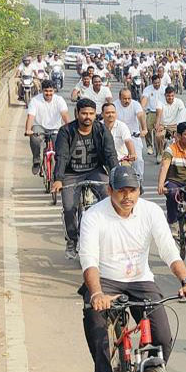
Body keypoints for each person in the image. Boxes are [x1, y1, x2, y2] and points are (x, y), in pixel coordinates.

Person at [78, 165, 186, 372]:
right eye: (121, 191)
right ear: (110, 190)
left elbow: (168, 250)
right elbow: (89, 259)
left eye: (132, 190)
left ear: (139, 191)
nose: (127, 197)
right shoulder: (94, 215)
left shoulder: (150, 211)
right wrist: (96, 294)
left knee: (163, 336)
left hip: (141, 280)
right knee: (95, 319)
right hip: (106, 280)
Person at [51, 99, 119, 258]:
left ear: (96, 115)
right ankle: (72, 240)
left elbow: (111, 155)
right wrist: (59, 179)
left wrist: (116, 177)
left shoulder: (101, 130)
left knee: (109, 198)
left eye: (91, 113)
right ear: (77, 114)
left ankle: (108, 236)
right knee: (69, 208)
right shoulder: (66, 131)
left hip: (95, 170)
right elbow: (61, 156)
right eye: (84, 113)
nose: (87, 117)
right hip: (71, 174)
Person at [24, 81, 70, 175]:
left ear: (54, 91)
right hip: (39, 127)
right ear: (42, 90)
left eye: (50, 91)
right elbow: (31, 117)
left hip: (55, 128)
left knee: (60, 148)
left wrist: (69, 127)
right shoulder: (35, 100)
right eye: (46, 91)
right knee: (35, 139)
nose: (48, 93)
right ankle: (36, 161)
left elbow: (64, 114)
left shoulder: (59, 100)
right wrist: (28, 130)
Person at [101, 102, 140, 179]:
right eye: (107, 113)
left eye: (113, 112)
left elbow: (128, 141)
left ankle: (139, 189)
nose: (110, 115)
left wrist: (132, 153)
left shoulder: (122, 126)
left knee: (128, 180)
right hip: (103, 162)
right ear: (102, 114)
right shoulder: (98, 126)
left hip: (121, 160)